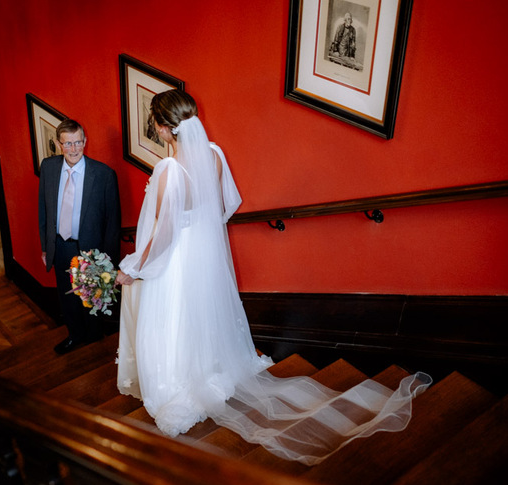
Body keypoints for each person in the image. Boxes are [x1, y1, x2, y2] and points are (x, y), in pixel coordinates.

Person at [115, 90, 430, 465]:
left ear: (164, 129)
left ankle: (181, 382)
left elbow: (163, 236)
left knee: (175, 320)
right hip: (203, 258)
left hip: (178, 263)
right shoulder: (213, 156)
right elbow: (225, 206)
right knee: (200, 316)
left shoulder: (169, 170)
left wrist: (132, 268)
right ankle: (212, 367)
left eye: (155, 122)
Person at [38, 119, 121, 355]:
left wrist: (110, 262)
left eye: (78, 143)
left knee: (92, 298)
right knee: (67, 296)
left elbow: (112, 223)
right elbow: (44, 210)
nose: (74, 149)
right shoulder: (49, 168)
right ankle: (74, 335)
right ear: (58, 144)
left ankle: (95, 339)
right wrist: (46, 247)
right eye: (68, 144)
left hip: (91, 249)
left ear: (85, 142)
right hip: (61, 245)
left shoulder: (103, 175)